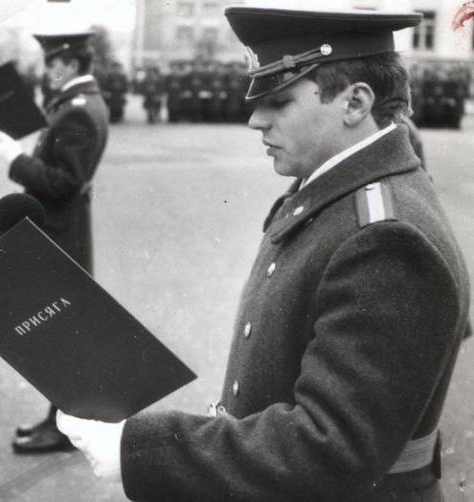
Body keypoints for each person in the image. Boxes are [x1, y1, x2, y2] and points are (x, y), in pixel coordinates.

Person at [56, 7, 471, 501]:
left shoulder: (384, 237)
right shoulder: (341, 193)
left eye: (279, 101)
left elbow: (330, 448)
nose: (256, 119)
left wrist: (140, 451)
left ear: (356, 102)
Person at [0, 28, 109, 454]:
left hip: (62, 231)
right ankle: (59, 421)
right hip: (62, 229)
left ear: (74, 63)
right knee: (61, 334)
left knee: (61, 336)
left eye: (54, 64)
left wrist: (16, 160)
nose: (48, 72)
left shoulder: (78, 109)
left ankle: (64, 427)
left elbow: (64, 182)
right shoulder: (74, 103)